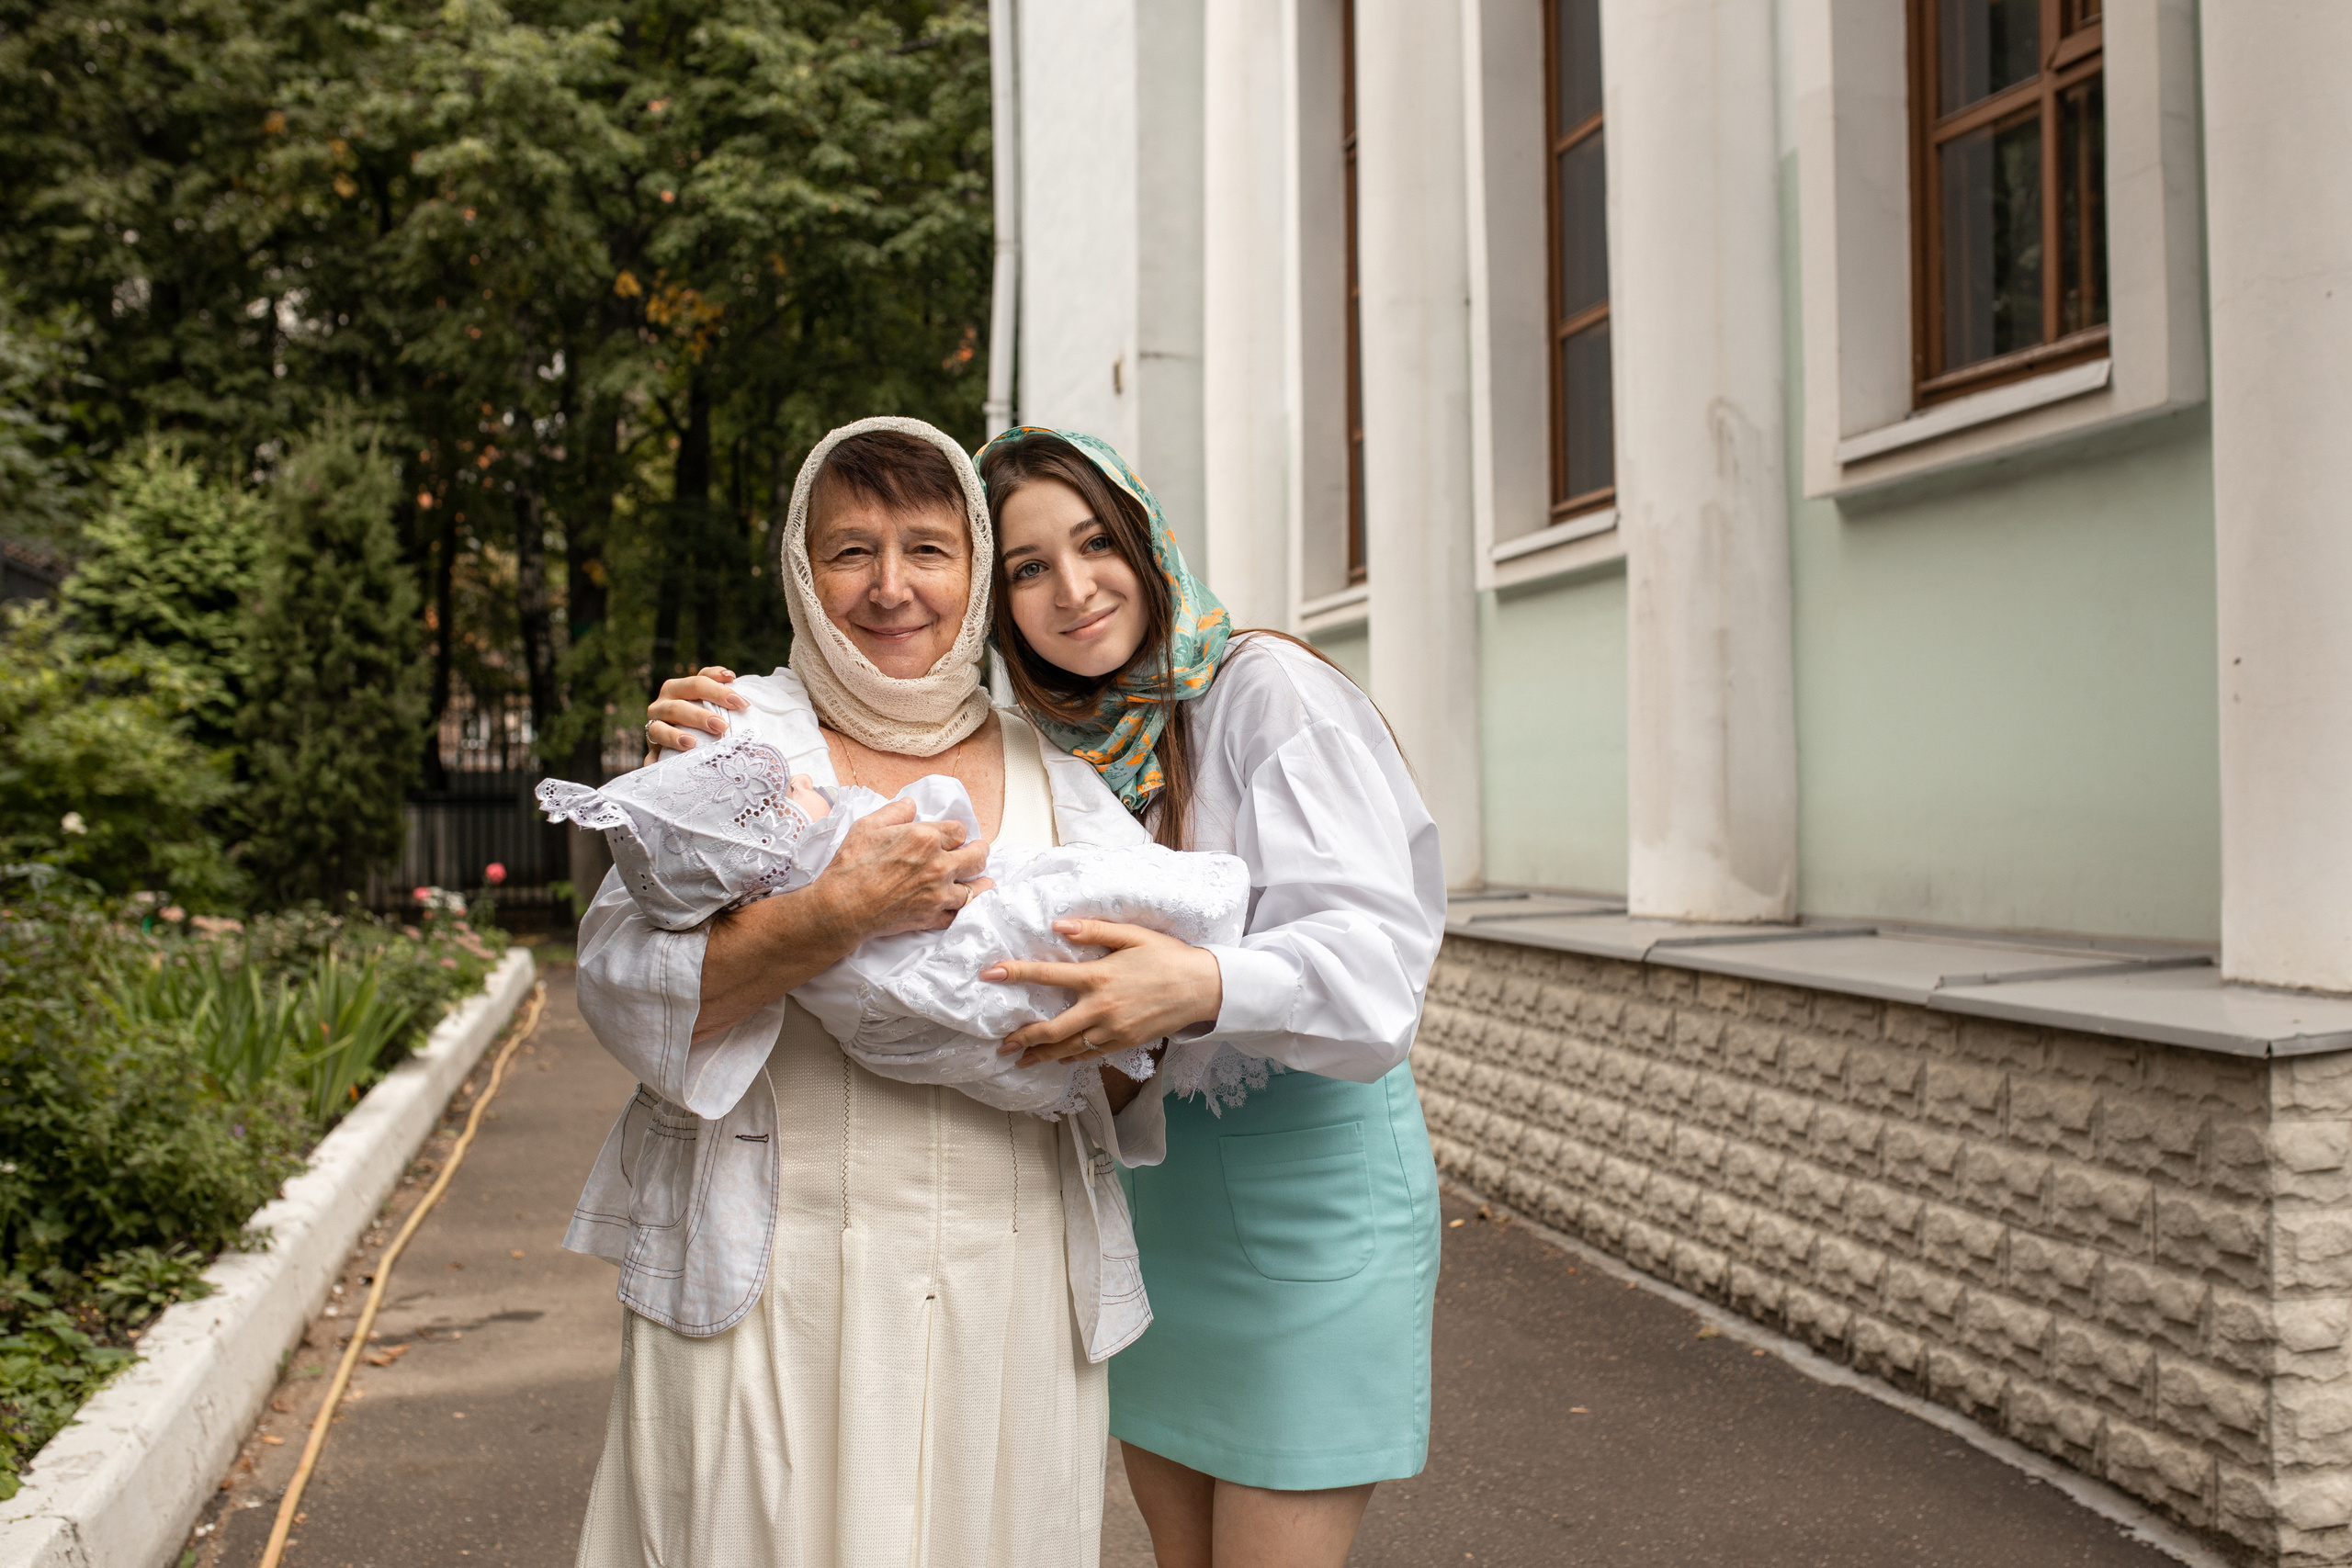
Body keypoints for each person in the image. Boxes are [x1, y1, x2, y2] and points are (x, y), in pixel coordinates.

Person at [571, 415, 1145, 1568]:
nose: (891, 588)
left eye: (929, 549)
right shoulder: (733, 743)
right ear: (799, 565)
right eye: (850, 550)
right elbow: (625, 992)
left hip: (1009, 1282)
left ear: (976, 573)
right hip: (777, 1285)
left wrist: (1125, 1021)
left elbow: (1127, 1060)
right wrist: (840, 912)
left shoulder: (1058, 779)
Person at [977, 428, 1444, 1568]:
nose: (1072, 588)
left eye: (1094, 542)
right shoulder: (1055, 750)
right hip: (1156, 1220)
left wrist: (1199, 984)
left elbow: (1379, 967)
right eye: (1026, 568)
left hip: (1315, 1207)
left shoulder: (1265, 691)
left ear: (1145, 541)